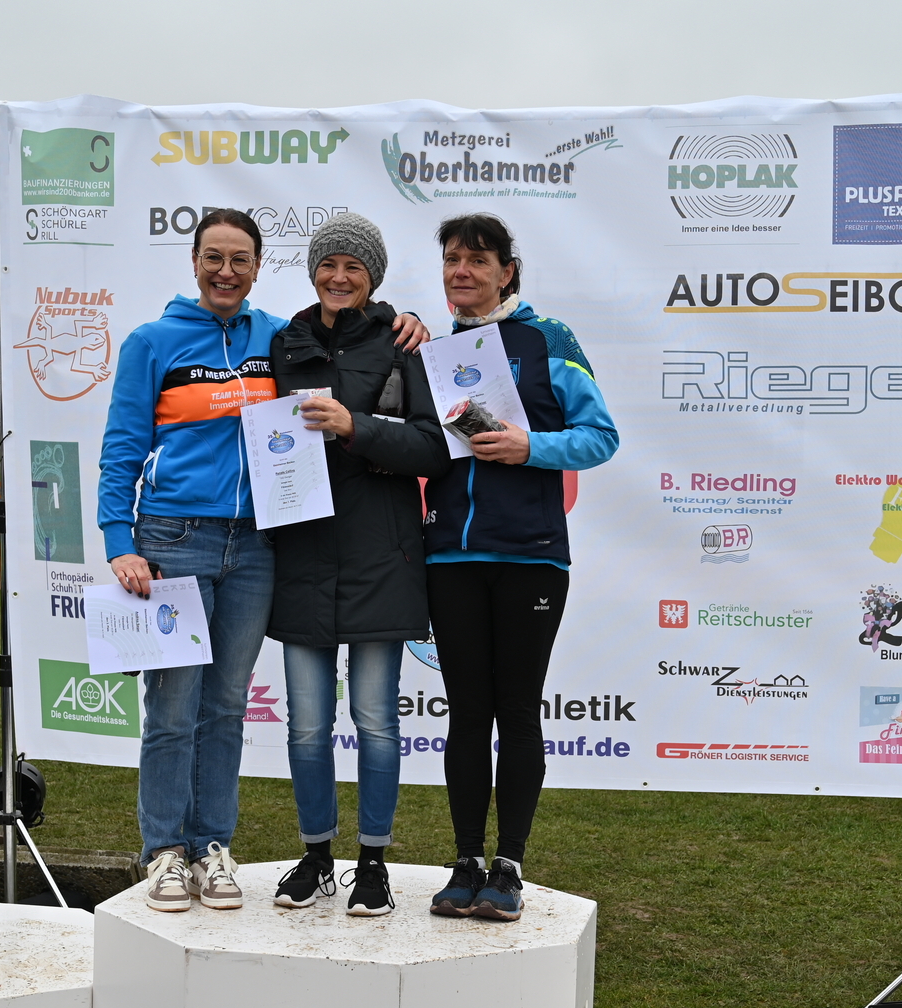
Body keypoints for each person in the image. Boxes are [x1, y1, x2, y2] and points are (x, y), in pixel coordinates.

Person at [100, 208, 425, 913]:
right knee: (172, 707)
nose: (226, 271)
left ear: (257, 267)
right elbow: (121, 447)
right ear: (194, 262)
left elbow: (347, 334)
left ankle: (213, 846)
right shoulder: (152, 341)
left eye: (240, 260)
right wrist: (119, 542)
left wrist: (407, 322)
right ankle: (165, 851)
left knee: (225, 706)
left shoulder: (277, 337)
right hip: (174, 539)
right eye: (213, 258)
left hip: (255, 544)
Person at [423, 214, 618, 924]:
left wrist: (528, 446)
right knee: (467, 714)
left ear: (507, 272)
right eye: (452, 259)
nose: (462, 271)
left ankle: (509, 865)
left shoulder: (549, 340)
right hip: (450, 554)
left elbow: (600, 437)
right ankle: (465, 861)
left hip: (531, 555)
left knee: (518, 710)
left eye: (478, 260)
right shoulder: (434, 350)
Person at [265, 214, 450, 916]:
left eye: (354, 267)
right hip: (303, 557)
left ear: (373, 277)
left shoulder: (403, 342)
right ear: (313, 269)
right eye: (329, 264)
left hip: (382, 557)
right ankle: (316, 858)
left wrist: (356, 427)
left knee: (375, 722)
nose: (339, 277)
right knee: (306, 727)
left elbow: (434, 448)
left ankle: (372, 863)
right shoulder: (284, 342)